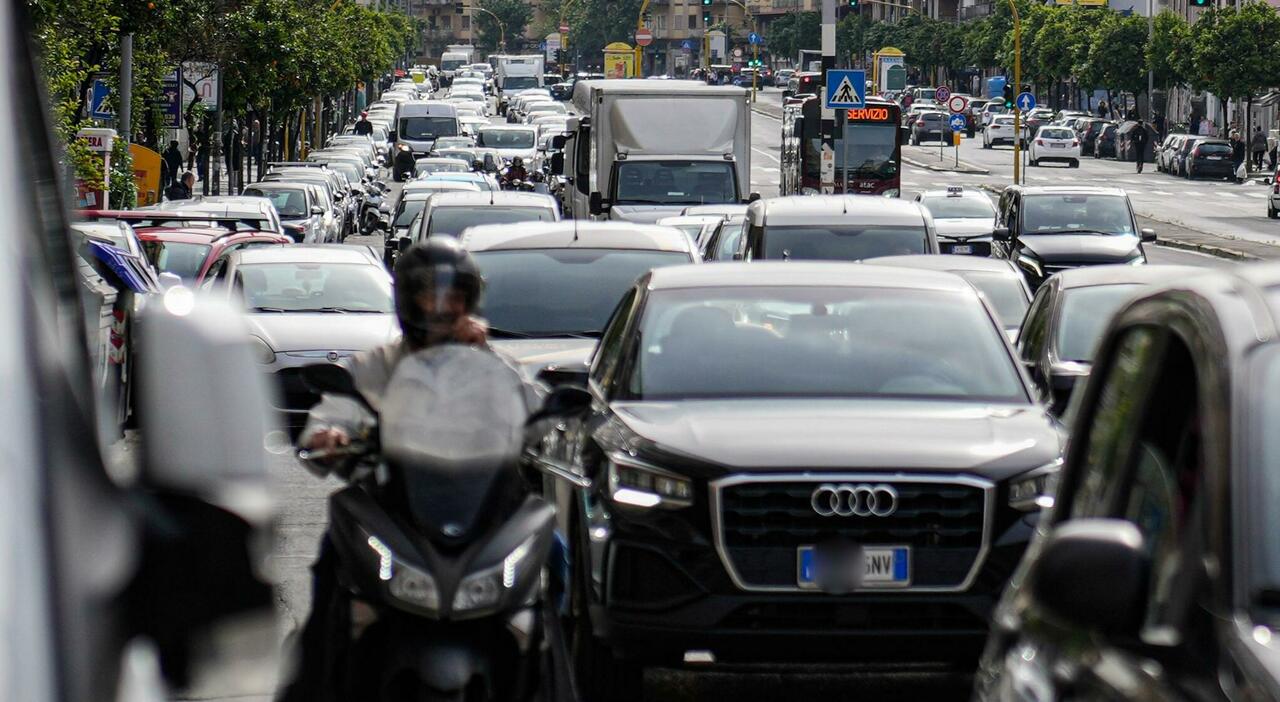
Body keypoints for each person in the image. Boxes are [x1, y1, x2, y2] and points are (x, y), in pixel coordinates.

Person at [278, 239, 490, 702]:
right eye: (429, 296)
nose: (441, 308)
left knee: (551, 552)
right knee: (334, 563)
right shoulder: (376, 366)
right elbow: (332, 413)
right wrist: (329, 438)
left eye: (453, 297)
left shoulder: (488, 362)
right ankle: (314, 684)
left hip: (481, 514)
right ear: (408, 302)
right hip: (393, 512)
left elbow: (532, 411)